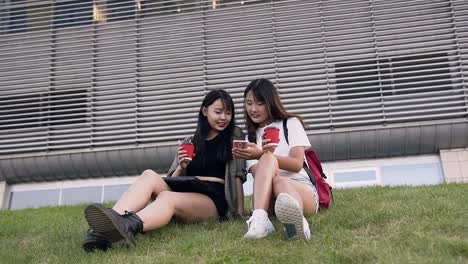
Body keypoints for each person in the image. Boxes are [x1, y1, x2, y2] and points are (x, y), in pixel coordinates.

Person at [82, 89, 246, 252]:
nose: (223, 117)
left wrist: (238, 212)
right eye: (218, 112)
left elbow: (238, 176)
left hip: (213, 200)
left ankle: (128, 225)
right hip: (187, 190)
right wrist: (182, 167)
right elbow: (173, 179)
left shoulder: (234, 137)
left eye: (228, 113)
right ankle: (106, 229)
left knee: (168, 197)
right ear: (204, 111)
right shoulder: (190, 141)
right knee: (149, 175)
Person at [233, 79, 319, 240]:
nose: (253, 109)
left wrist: (262, 155)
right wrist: (264, 156)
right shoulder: (249, 139)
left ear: (270, 103)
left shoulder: (290, 124)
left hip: (301, 189)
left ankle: (294, 223)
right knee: (271, 168)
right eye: (249, 103)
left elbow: (296, 164)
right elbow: (259, 176)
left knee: (280, 181)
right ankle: (262, 219)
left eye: (259, 103)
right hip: (267, 197)